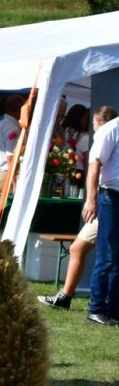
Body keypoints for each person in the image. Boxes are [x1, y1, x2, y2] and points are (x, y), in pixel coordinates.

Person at [38, 106, 119, 311]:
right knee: (83, 249)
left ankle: (74, 298)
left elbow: (94, 165)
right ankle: (69, 296)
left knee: (100, 254)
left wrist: (91, 199)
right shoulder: (110, 132)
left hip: (108, 200)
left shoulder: (106, 132)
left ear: (99, 122)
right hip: (107, 199)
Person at [81, 111, 119, 325]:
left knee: (116, 257)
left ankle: (114, 309)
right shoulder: (111, 129)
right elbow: (94, 164)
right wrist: (91, 199)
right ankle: (96, 308)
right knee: (107, 256)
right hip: (111, 197)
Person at [0, 94, 24, 195]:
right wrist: (13, 179)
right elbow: (11, 156)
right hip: (7, 175)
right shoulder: (13, 127)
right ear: (20, 109)